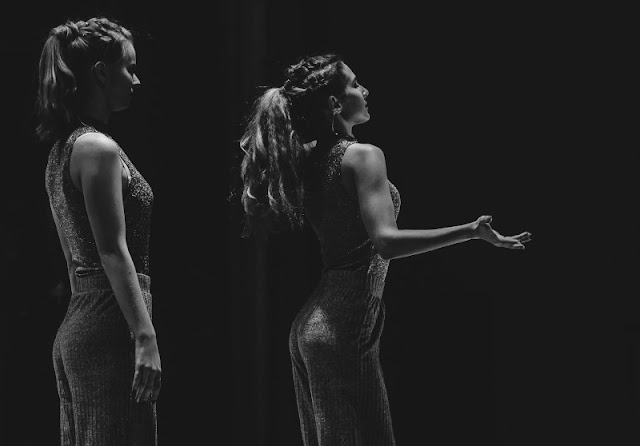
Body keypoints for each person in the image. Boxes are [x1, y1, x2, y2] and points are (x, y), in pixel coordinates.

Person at [239, 53, 532, 445]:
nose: (365, 90)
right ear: (335, 103)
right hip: (341, 325)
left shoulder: (309, 159)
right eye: (355, 83)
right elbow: (386, 242)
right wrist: (470, 232)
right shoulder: (363, 156)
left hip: (316, 326)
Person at [37, 16, 160, 445]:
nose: (136, 80)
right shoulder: (96, 148)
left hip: (84, 320)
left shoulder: (64, 149)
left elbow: (75, 263)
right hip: (108, 326)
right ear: (102, 73)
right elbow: (111, 250)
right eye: (129, 68)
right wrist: (144, 335)